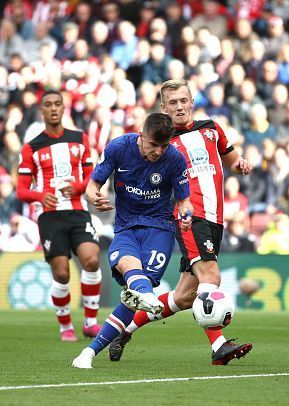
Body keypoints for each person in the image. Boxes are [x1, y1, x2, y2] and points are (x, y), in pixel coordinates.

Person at [108, 79, 253, 366]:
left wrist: (240, 164)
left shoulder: (211, 128)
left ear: (192, 102)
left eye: (183, 100)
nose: (179, 106)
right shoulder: (162, 143)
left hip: (215, 218)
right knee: (211, 276)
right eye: (172, 102)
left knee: (185, 296)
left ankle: (124, 330)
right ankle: (219, 347)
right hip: (189, 217)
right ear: (163, 108)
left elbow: (231, 157)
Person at [72, 112, 193, 369]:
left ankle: (88, 353)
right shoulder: (118, 147)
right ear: (141, 135)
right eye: (153, 145)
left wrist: (186, 213)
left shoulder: (175, 159)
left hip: (159, 230)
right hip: (125, 228)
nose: (159, 151)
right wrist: (94, 198)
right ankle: (146, 296)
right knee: (132, 279)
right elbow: (92, 187)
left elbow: (184, 201)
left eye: (164, 145)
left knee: (133, 294)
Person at [16, 90, 103, 342]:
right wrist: (39, 196)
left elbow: (92, 177)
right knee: (62, 273)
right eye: (48, 105)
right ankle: (65, 325)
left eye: (57, 104)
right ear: (41, 111)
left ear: (63, 108)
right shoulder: (31, 148)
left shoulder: (80, 139)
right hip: (50, 216)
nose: (53, 108)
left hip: (77, 210)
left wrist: (77, 188)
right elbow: (21, 189)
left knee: (91, 259)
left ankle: (90, 323)